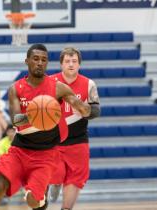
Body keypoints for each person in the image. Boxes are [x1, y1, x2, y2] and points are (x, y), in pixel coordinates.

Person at [0, 44, 91, 210]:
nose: (40, 63)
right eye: (35, 59)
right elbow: (15, 121)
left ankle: (41, 201)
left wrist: (85, 109)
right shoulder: (16, 89)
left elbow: (82, 107)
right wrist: (36, 113)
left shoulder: (58, 87)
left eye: (44, 60)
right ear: (27, 61)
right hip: (20, 150)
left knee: (34, 202)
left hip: (46, 154)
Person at [49, 47, 100, 210]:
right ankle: (55, 182)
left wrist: (86, 111)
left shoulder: (89, 84)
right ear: (61, 64)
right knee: (54, 176)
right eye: (67, 61)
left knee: (75, 180)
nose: (71, 64)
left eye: (74, 61)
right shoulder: (49, 82)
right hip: (53, 141)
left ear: (79, 64)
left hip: (78, 141)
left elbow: (96, 110)